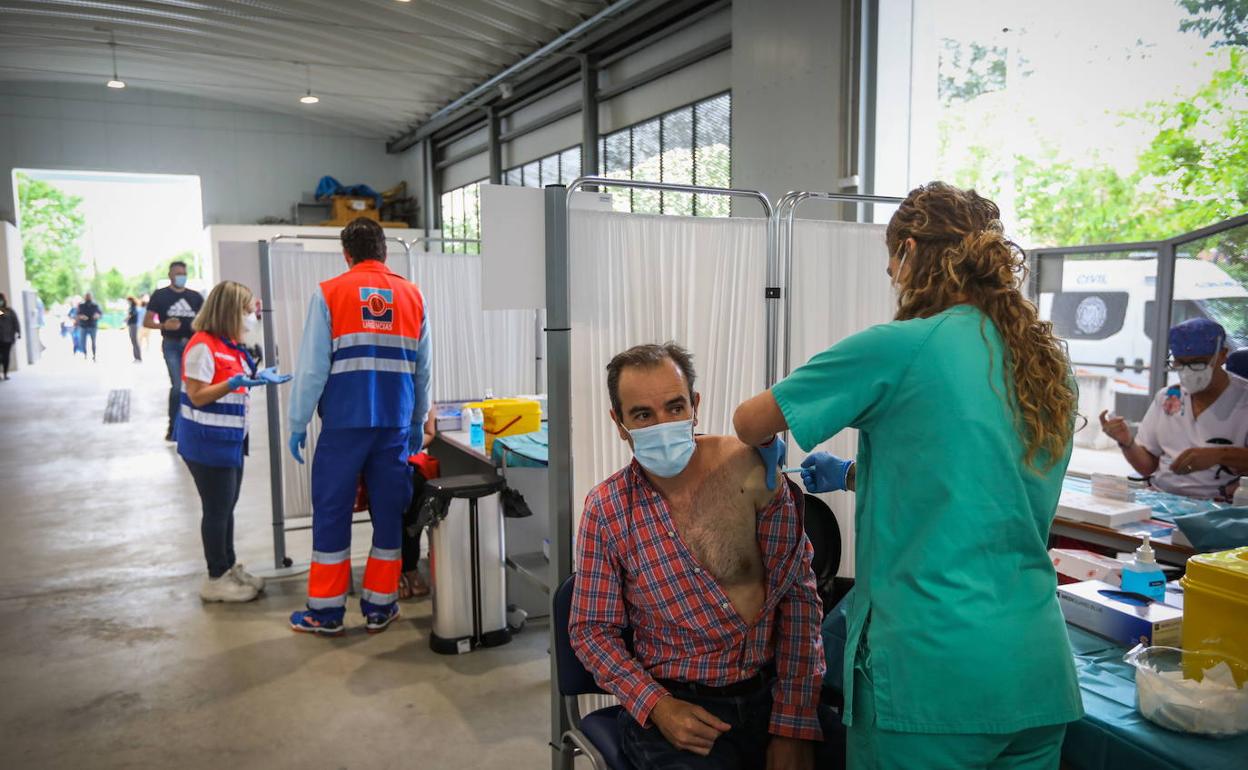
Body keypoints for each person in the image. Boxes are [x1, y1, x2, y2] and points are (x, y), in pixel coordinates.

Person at [733, 182, 1083, 770]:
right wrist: (851, 475)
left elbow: (751, 420)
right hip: (1035, 671)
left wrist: (767, 445)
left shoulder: (902, 347)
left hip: (933, 676)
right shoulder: (1044, 363)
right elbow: (975, 482)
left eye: (892, 260)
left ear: (913, 250)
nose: (892, 274)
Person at [570, 342, 824, 770]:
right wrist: (657, 706)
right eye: (643, 415)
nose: (663, 424)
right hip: (677, 703)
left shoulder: (748, 473)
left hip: (773, 694)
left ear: (696, 406)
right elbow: (591, 632)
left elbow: (799, 598)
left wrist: (792, 723)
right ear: (619, 423)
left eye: (674, 407)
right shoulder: (608, 509)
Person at [287, 217, 432, 636]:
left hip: (344, 426)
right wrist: (417, 420)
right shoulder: (413, 296)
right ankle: (380, 608)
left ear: (346, 254)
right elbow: (423, 371)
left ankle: (327, 613)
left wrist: (297, 421)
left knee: (332, 513)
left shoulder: (330, 293)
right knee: (388, 515)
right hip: (393, 425)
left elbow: (313, 368)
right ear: (385, 251)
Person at [177, 280, 291, 602]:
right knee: (216, 510)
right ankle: (215, 578)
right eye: (246, 309)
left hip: (229, 441)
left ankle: (228, 567)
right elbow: (198, 396)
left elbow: (235, 380)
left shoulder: (228, 344)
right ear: (230, 311)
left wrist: (255, 378)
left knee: (226, 508)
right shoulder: (202, 345)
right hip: (206, 443)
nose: (251, 315)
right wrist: (232, 383)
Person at [1100, 318, 1248, 502]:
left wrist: (1219, 455)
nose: (1188, 371)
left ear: (1223, 355)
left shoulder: (1243, 400)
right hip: (1163, 501)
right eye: (1180, 363)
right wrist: (1127, 442)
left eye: (1198, 362)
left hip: (1221, 507)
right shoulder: (1168, 398)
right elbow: (1147, 467)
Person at [145, 261, 205, 441]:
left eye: (184, 273)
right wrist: (164, 325)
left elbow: (205, 319)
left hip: (192, 345)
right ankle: (173, 428)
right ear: (170, 275)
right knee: (178, 386)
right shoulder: (160, 295)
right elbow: (147, 322)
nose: (181, 277)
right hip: (171, 344)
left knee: (195, 386)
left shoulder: (195, 297)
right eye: (178, 273)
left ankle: (192, 426)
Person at [400, 416, 437, 599]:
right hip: (379, 458)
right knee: (386, 500)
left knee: (415, 490)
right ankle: (394, 570)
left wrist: (411, 444)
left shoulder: (420, 391)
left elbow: (429, 432)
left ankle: (410, 567)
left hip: (411, 457)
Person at [76, 292, 102, 361]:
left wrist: (97, 316)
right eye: (86, 296)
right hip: (83, 326)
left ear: (91, 297)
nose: (88, 297)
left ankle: (94, 355)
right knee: (83, 342)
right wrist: (81, 317)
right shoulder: (81, 305)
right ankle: (85, 354)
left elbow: (100, 314)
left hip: (93, 326)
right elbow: (78, 314)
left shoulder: (95, 305)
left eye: (89, 296)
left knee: (93, 341)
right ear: (84, 297)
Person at [0, 292, 20, 380]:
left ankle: (5, 373)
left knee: (6, 357)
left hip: (8, 338)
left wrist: (19, 332)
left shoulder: (9, 311)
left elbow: (16, 322)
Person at [125, 296, 142, 363]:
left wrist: (126, 319)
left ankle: (138, 358)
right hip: (131, 325)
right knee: (133, 341)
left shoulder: (133, 307)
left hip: (133, 326)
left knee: (135, 341)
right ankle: (136, 357)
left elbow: (131, 314)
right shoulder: (131, 307)